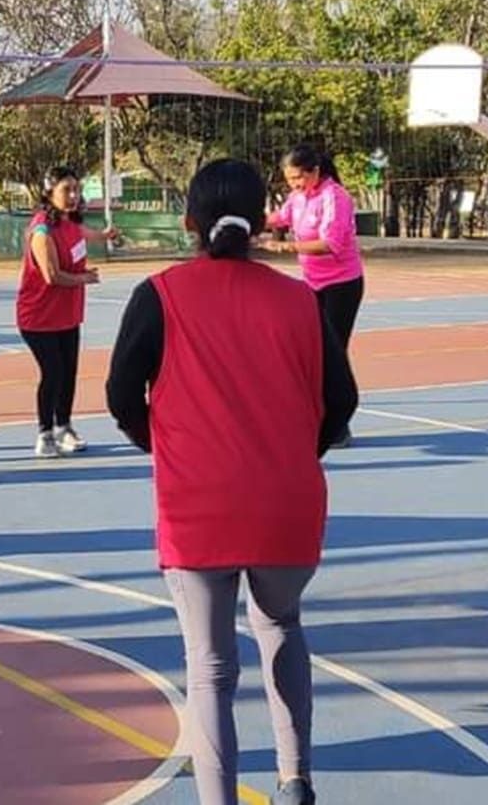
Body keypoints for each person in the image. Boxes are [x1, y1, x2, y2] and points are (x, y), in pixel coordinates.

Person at [106, 158, 352, 805]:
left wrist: (162, 443)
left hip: (199, 503)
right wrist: (300, 450)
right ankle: (296, 779)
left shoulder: (159, 294)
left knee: (210, 669)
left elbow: (120, 393)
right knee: (282, 627)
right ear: (260, 221)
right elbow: (342, 399)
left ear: (189, 221)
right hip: (287, 500)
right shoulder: (299, 298)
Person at [260, 144, 363, 446]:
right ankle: (313, 416)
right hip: (313, 284)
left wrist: (286, 247)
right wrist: (243, 216)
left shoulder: (335, 197)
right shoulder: (298, 197)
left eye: (298, 178)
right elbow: (278, 218)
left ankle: (338, 424)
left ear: (315, 171)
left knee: (333, 354)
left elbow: (331, 243)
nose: (294, 184)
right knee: (309, 352)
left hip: (341, 284)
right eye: (289, 179)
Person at [15, 166, 118, 458]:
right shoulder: (41, 230)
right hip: (38, 317)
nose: (73, 196)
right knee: (53, 373)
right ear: (50, 192)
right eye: (66, 190)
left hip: (67, 314)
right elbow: (52, 275)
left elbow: (84, 233)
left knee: (69, 373)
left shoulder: (70, 223)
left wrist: (105, 235)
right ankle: (45, 434)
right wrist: (84, 278)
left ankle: (65, 428)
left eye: (76, 189)